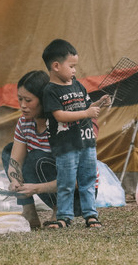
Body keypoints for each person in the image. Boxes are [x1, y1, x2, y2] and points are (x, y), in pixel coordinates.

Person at [40, 38, 110, 230]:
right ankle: (64, 217)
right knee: (67, 182)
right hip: (66, 147)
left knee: (88, 180)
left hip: (87, 143)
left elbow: (87, 108)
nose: (74, 71)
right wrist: (87, 113)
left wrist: (98, 104)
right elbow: (59, 115)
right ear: (56, 66)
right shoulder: (51, 90)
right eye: (71, 66)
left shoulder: (77, 85)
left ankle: (91, 215)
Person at [1, 70, 64, 230]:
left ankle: (60, 211)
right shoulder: (24, 122)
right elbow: (14, 161)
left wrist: (36, 188)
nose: (22, 105)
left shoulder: (61, 124)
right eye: (20, 99)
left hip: (73, 194)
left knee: (38, 157)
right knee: (8, 150)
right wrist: (15, 180)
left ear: (44, 100)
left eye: (28, 100)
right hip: (46, 185)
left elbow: (75, 178)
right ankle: (28, 211)